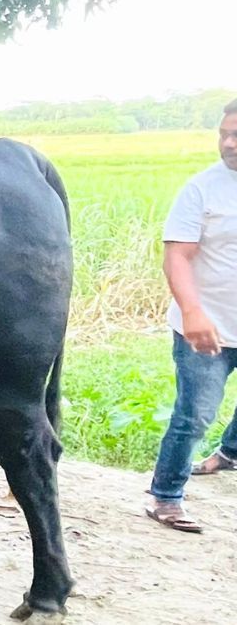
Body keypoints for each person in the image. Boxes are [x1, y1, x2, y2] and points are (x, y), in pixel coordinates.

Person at [146, 99, 237, 532]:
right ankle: (166, 496)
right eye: (224, 133)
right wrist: (193, 313)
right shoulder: (203, 189)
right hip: (206, 329)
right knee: (195, 414)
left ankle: (230, 454)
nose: (229, 143)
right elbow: (177, 257)